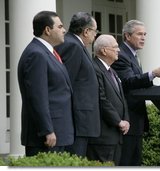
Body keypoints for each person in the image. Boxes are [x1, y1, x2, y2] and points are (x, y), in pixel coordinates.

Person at [111, 19, 160, 166]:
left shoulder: (133, 55)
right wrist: (152, 74)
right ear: (127, 36)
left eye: (145, 34)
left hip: (136, 118)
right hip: (128, 116)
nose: (143, 37)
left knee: (135, 162)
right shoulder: (121, 54)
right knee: (127, 162)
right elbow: (128, 81)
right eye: (139, 34)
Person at [17, 10, 74, 156]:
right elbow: (37, 96)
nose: (64, 30)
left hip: (58, 132)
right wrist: (47, 130)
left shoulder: (47, 52)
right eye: (60, 27)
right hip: (46, 137)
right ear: (47, 30)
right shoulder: (36, 54)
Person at [55, 12, 100, 157]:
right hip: (77, 121)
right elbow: (66, 83)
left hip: (81, 120)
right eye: (95, 31)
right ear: (86, 31)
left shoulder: (76, 44)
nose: (95, 36)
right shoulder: (72, 45)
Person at [86, 34, 130, 165]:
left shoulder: (112, 71)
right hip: (103, 136)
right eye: (115, 47)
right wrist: (118, 121)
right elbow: (101, 99)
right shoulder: (94, 68)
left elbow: (122, 99)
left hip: (116, 136)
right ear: (104, 50)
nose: (119, 50)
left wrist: (126, 120)